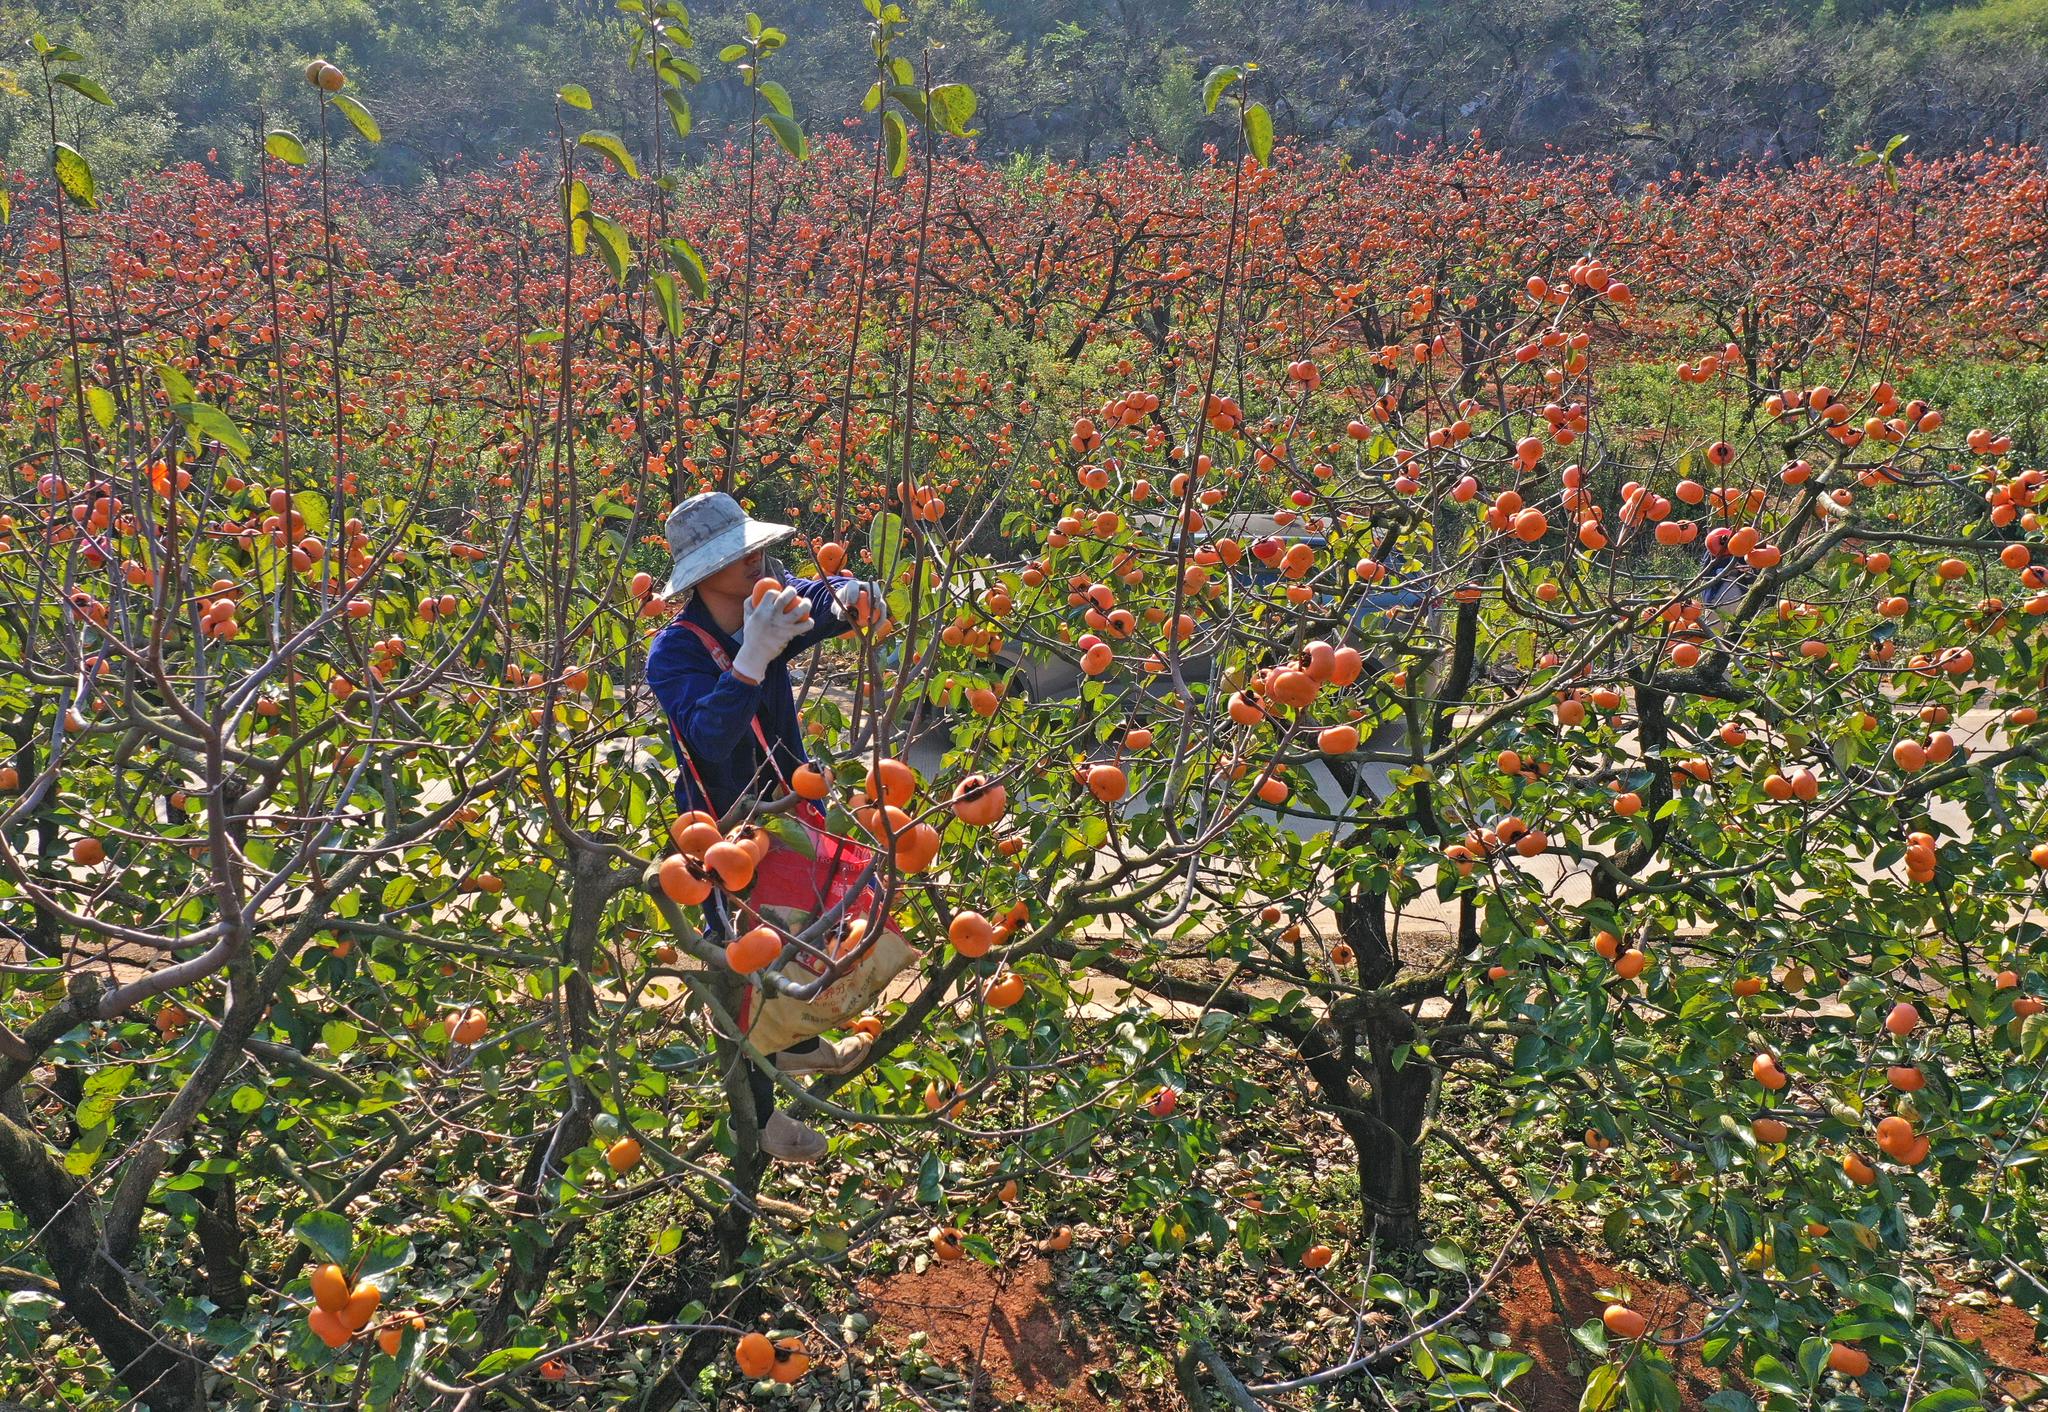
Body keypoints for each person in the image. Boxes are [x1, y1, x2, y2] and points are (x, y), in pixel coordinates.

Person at [645, 491, 887, 1163]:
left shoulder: (767, 602)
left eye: (752, 548)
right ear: (700, 575)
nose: (753, 559)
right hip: (721, 835)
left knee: (813, 934)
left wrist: (849, 594)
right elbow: (710, 739)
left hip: (788, 810)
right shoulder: (674, 655)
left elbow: (825, 595)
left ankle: (803, 1046)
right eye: (736, 554)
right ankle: (763, 1121)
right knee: (748, 975)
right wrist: (751, 659)